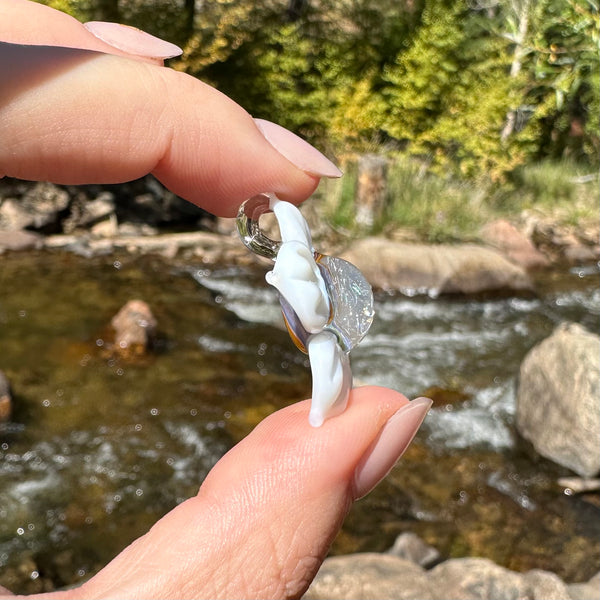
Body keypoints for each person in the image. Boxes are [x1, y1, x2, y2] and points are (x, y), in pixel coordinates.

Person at [0, 2, 432, 597]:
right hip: (306, 297)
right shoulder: (293, 273)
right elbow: (296, 272)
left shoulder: (301, 268)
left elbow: (300, 264)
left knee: (321, 344)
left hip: (311, 301)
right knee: (319, 346)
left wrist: (288, 234)